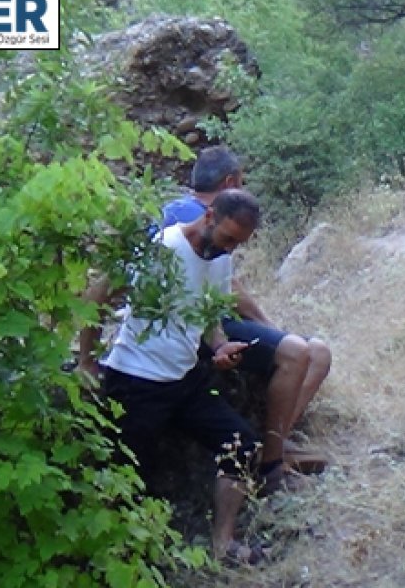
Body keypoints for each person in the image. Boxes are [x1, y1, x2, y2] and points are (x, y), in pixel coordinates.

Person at [77, 189, 296, 564]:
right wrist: (86, 362)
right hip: (135, 381)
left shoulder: (220, 259)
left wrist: (221, 346)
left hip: (185, 379)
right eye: (228, 238)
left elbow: (207, 314)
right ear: (209, 216)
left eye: (238, 244)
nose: (230, 249)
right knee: (127, 478)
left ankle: (223, 545)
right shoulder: (162, 247)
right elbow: (98, 292)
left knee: (241, 445)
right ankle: (117, 560)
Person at [160, 146, 332, 450]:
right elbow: (226, 286)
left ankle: (274, 445)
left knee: (307, 349)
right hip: (199, 325)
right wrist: (268, 325)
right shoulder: (202, 219)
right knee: (312, 353)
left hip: (178, 323)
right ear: (230, 183)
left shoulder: (173, 209)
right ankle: (273, 450)